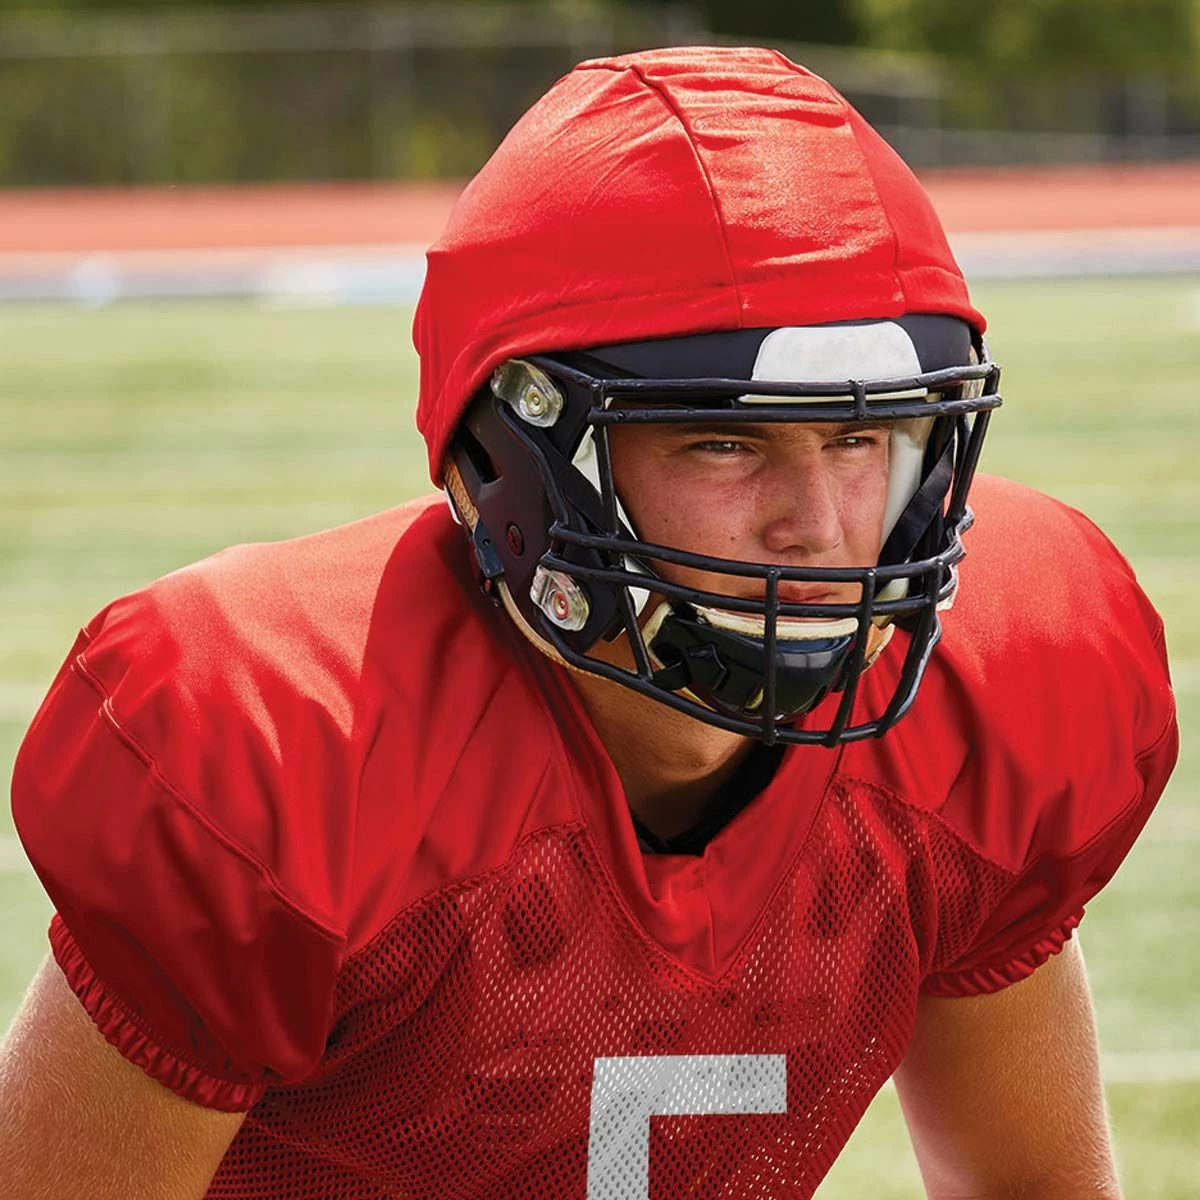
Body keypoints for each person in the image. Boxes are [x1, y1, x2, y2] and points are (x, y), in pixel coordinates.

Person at [0, 46, 1178, 1200]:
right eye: (725, 440)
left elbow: (1030, 1183)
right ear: (514, 462)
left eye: (861, 438)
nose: (819, 527)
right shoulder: (286, 746)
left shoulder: (994, 694)